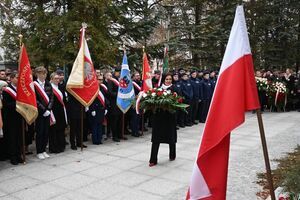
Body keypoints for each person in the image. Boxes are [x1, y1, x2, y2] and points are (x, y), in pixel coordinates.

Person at [149, 74, 177, 167]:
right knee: (156, 138)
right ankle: (153, 160)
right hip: (159, 117)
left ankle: (172, 155)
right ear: (163, 80)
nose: (168, 80)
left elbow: (179, 101)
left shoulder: (175, 88)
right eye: (167, 79)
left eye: (170, 79)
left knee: (171, 136)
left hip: (170, 116)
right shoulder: (158, 89)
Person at [2, 72, 23, 165]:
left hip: (19, 116)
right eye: (17, 77)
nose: (18, 79)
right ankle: (13, 157)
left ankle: (19, 155)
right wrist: (18, 103)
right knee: (12, 138)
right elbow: (6, 104)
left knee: (19, 137)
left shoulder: (20, 89)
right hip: (11, 118)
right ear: (12, 78)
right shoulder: (7, 90)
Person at [33, 66, 54, 160]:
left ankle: (44, 150)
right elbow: (35, 99)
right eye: (41, 73)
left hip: (47, 112)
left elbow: (52, 98)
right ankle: (39, 151)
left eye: (45, 73)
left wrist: (48, 109)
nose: (43, 75)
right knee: (40, 132)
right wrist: (43, 110)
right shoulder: (34, 84)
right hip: (39, 112)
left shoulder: (48, 83)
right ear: (37, 74)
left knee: (46, 132)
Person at [49, 72, 67, 153]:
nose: (57, 80)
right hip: (53, 111)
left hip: (61, 110)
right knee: (54, 130)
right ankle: (54, 147)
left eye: (58, 78)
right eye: (55, 78)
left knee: (61, 128)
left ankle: (61, 145)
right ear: (51, 79)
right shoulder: (49, 88)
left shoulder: (60, 87)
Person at [107, 67, 123, 142]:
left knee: (120, 120)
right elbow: (110, 92)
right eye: (119, 72)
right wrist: (118, 94)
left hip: (120, 103)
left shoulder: (119, 79)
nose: (120, 74)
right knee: (115, 121)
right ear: (116, 72)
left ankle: (119, 135)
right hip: (114, 104)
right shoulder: (112, 80)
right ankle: (114, 136)